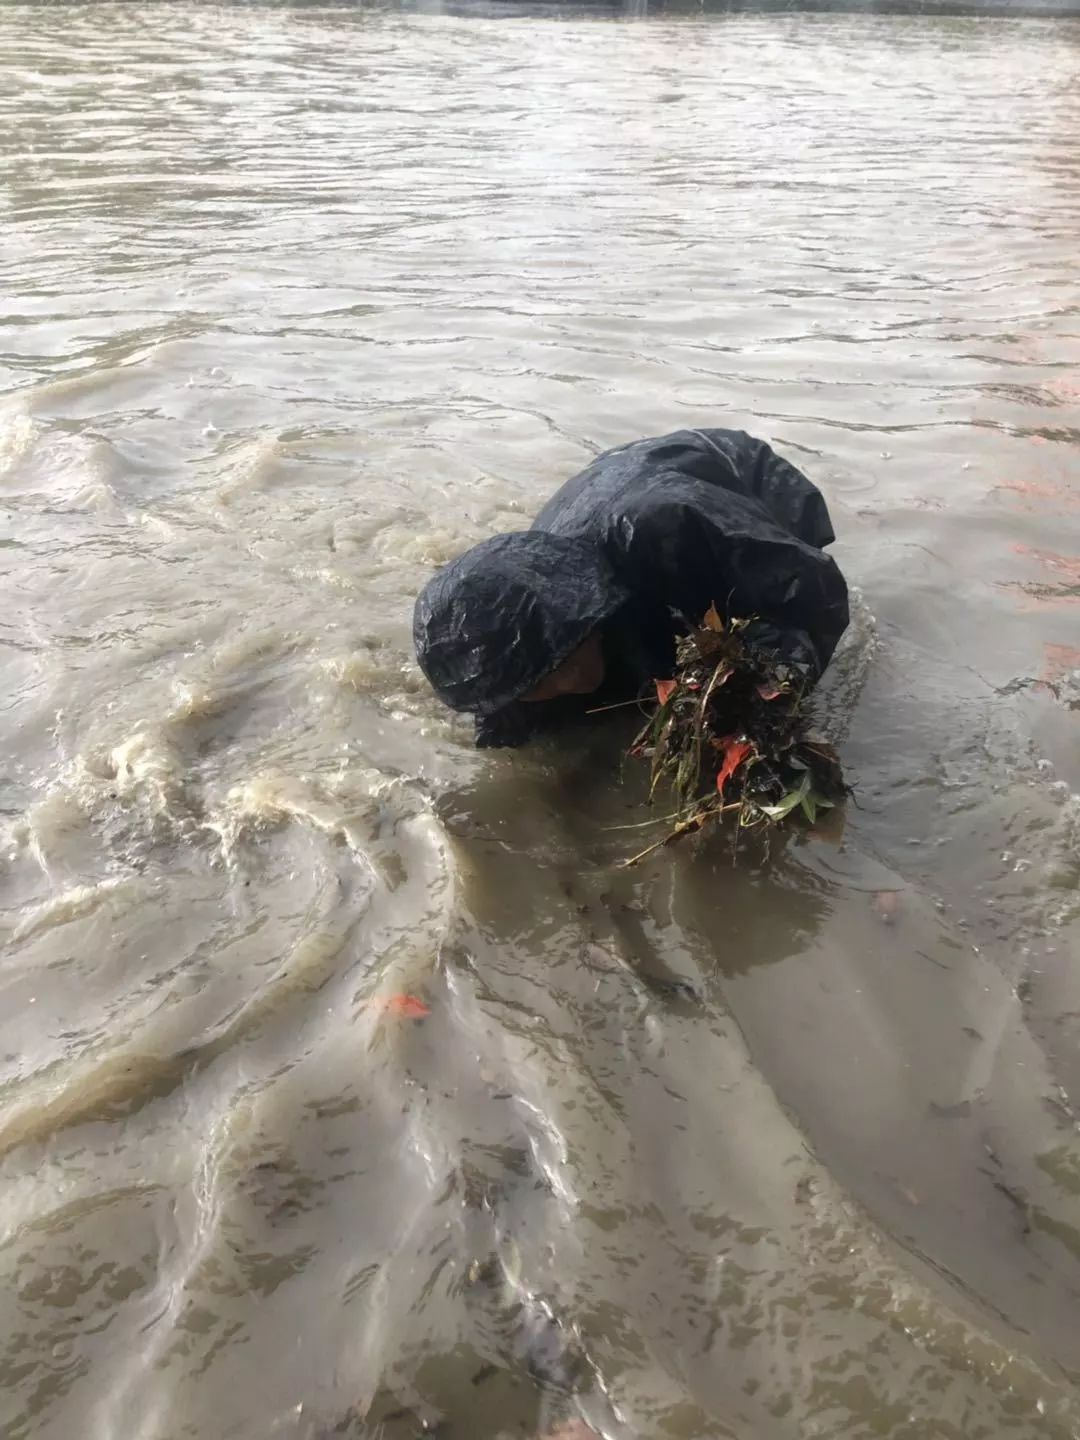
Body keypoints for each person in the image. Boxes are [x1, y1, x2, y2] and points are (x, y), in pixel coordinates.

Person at [413, 427, 849, 748]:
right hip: (607, 503)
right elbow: (508, 719)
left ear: (577, 624)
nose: (566, 681)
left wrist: (769, 697)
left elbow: (815, 595)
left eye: (557, 664)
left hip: (730, 478)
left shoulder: (671, 524)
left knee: (743, 650)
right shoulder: (521, 652)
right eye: (534, 683)